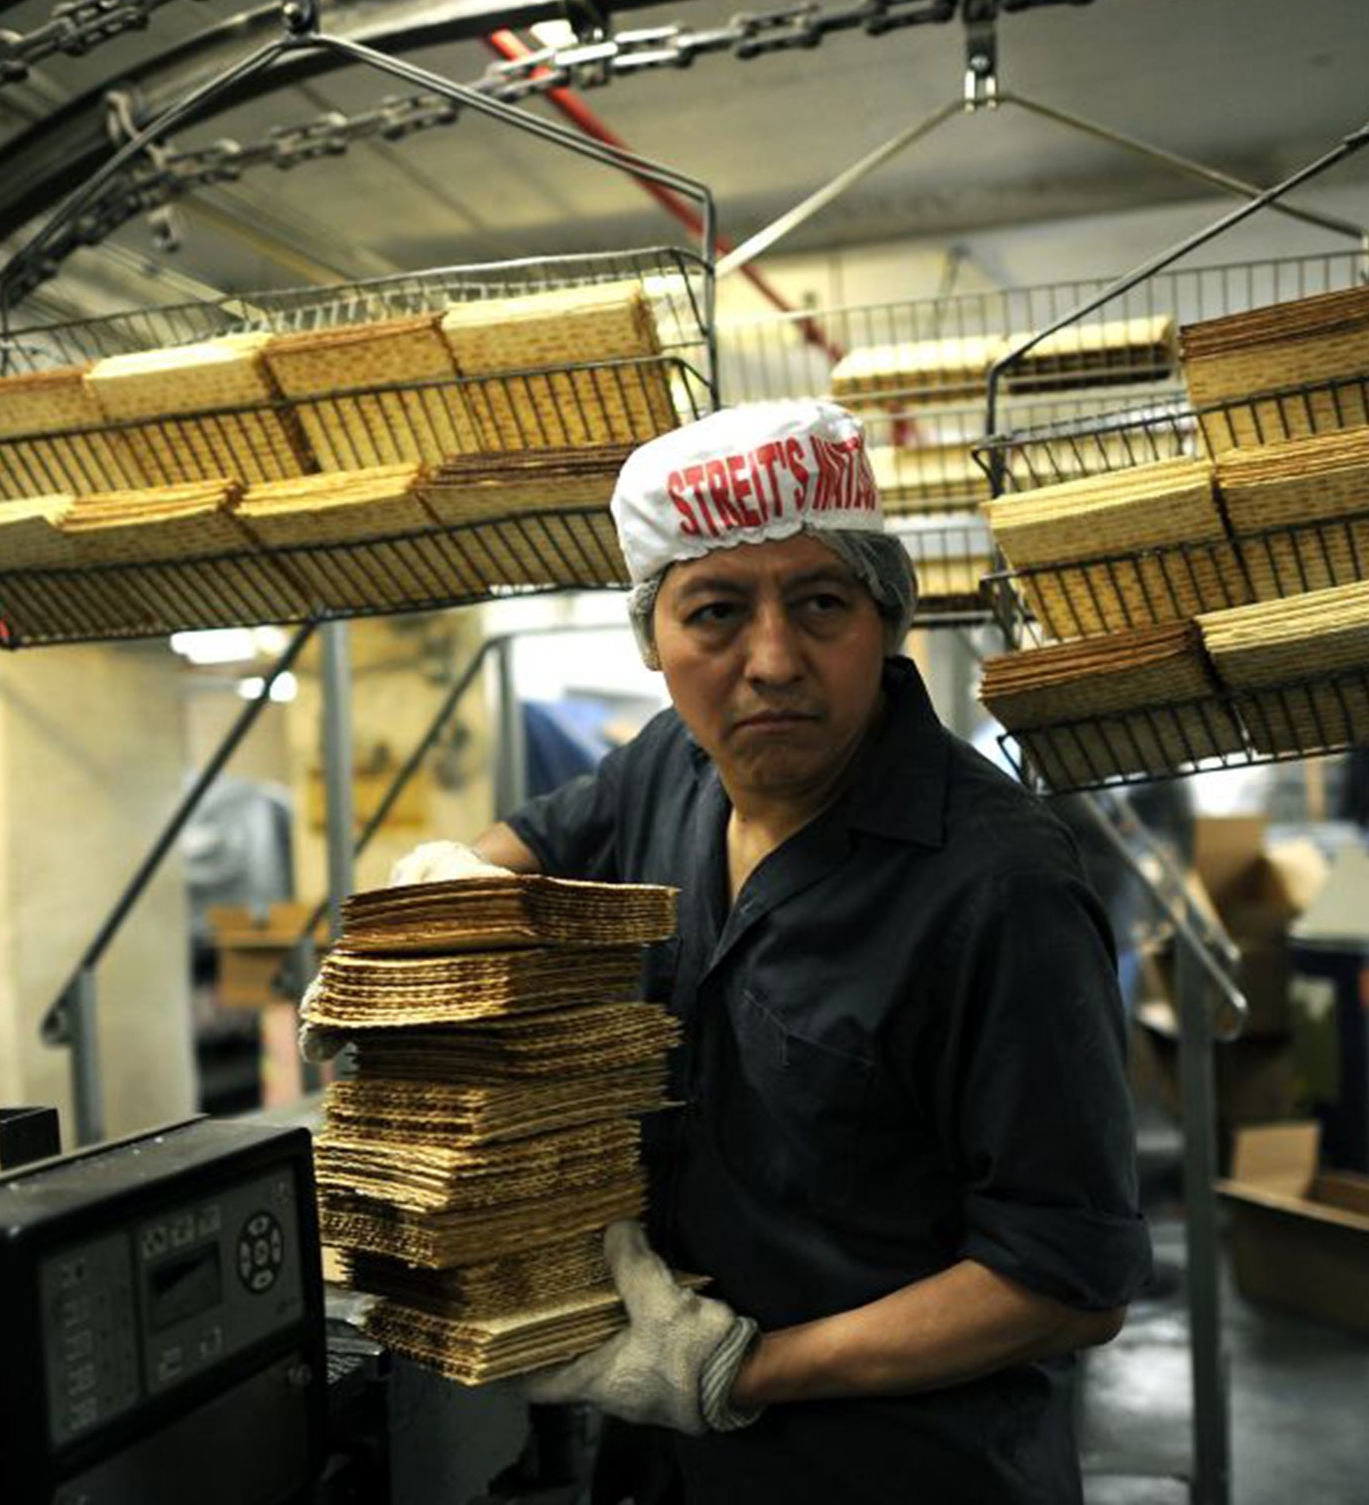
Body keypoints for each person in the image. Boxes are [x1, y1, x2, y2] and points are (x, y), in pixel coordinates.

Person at [306, 401, 1150, 1503]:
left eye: (818, 604)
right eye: (712, 613)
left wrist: (731, 1371)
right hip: (663, 1470)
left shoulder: (998, 891)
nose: (770, 662)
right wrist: (423, 928)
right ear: (653, 647)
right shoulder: (675, 764)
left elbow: (1069, 1279)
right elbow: (535, 844)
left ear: (885, 619)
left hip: (899, 1468)